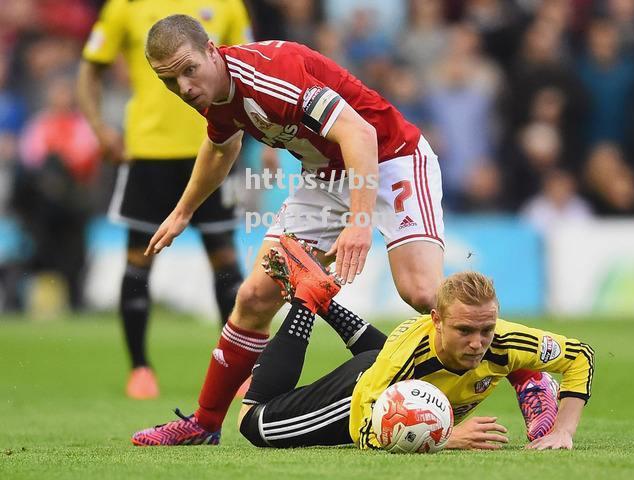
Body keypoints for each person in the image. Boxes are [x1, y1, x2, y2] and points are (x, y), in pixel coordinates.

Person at [132, 14, 554, 445]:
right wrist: (184, 212)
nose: (184, 87)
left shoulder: (270, 77)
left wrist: (359, 220)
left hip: (391, 160)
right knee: (256, 296)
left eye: (188, 70)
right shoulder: (215, 93)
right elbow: (221, 147)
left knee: (424, 293)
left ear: (210, 50)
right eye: (169, 81)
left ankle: (530, 373)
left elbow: (360, 133)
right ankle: (204, 424)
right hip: (324, 176)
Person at [236, 247, 593, 451]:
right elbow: (364, 428)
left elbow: (581, 356)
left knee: (431, 361)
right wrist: (443, 438)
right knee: (252, 423)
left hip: (401, 370)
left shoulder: (503, 339)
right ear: (436, 319)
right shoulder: (402, 358)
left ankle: (531, 377)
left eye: (486, 329)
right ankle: (307, 301)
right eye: (465, 330)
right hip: (366, 388)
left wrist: (564, 430)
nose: (477, 342)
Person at [77, 1, 251, 399]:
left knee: (224, 259)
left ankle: (239, 371)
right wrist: (100, 128)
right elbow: (90, 67)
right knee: (139, 259)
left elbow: (246, 65)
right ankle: (140, 368)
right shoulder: (125, 6)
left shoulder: (227, 5)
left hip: (217, 146)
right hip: (149, 153)